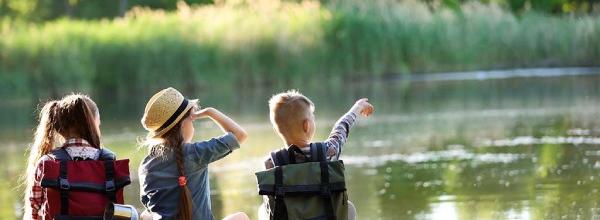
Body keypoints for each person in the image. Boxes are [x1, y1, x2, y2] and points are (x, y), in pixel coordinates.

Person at [258, 89, 374, 219]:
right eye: (312, 117)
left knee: (263, 209)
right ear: (307, 125)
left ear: (275, 130)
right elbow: (340, 130)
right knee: (349, 207)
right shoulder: (327, 152)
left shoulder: (270, 163)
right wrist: (356, 108)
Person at [138, 87, 249, 220]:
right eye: (192, 120)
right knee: (241, 217)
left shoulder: (145, 165)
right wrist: (210, 112)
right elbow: (239, 135)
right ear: (183, 124)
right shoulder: (196, 153)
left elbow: (148, 204)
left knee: (145, 215)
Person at [23, 93, 129, 220]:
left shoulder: (47, 163)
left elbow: (33, 213)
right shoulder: (109, 162)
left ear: (60, 128)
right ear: (93, 125)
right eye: (98, 125)